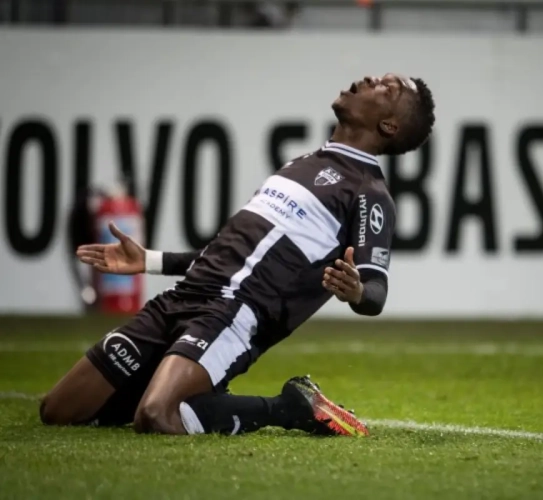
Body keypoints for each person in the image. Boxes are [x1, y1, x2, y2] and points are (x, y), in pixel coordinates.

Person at [39, 74, 436, 437]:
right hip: (181, 297)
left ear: (389, 125)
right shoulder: (303, 162)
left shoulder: (368, 193)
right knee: (57, 411)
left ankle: (287, 408)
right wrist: (151, 261)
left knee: (157, 416)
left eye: (387, 89)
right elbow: (230, 254)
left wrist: (356, 292)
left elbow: (376, 292)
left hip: (233, 314)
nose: (370, 79)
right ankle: (182, 385)